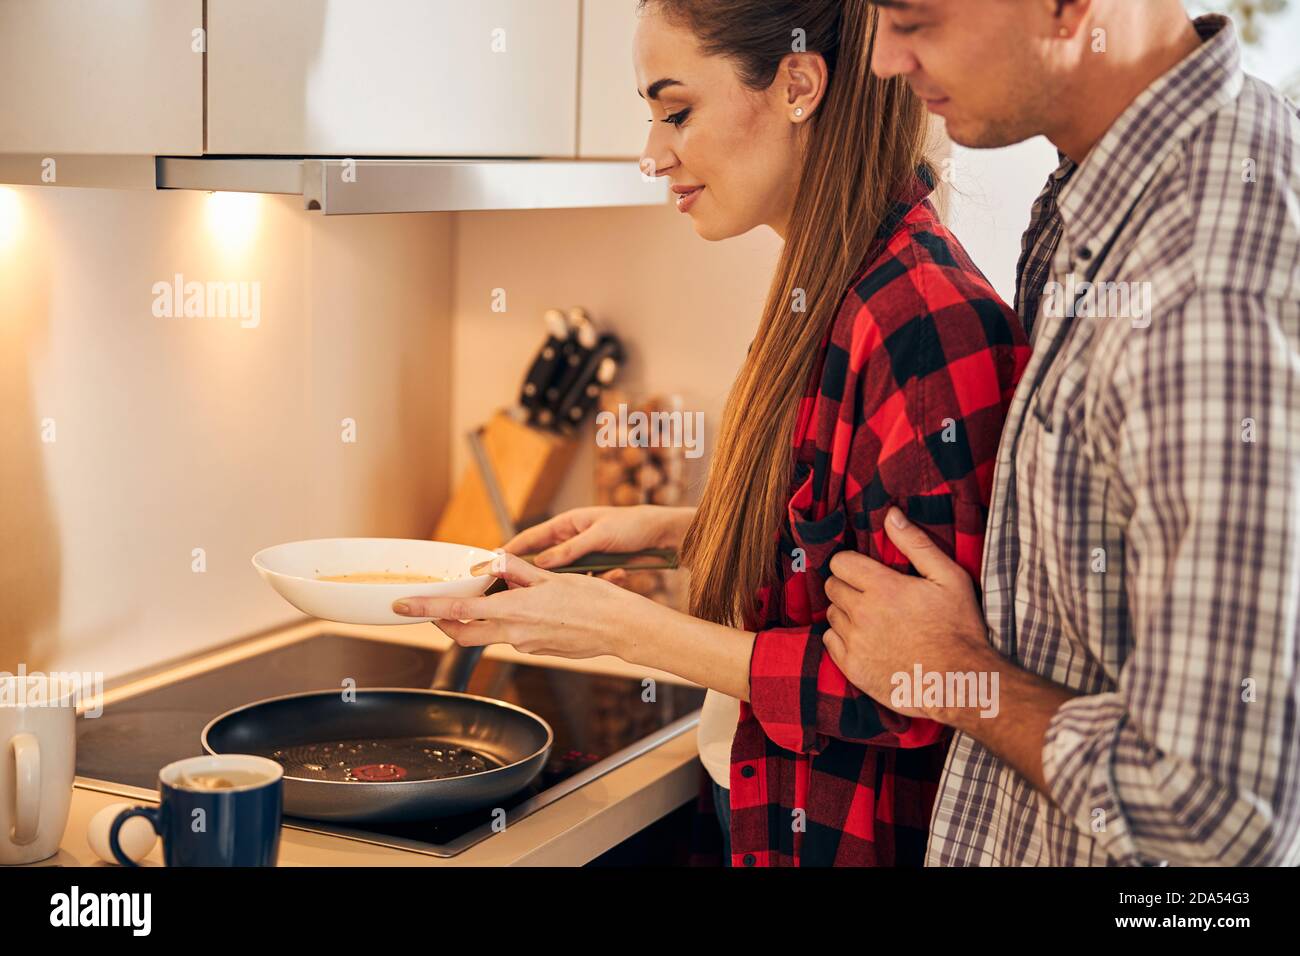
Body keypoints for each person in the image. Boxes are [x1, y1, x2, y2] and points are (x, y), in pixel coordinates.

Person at [395, 0, 1028, 866]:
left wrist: (619, 627)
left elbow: (915, 688)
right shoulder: (832, 278)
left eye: (677, 110)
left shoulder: (922, 322)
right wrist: (683, 532)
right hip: (759, 800)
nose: (654, 153)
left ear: (799, 84)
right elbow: (848, 562)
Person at [822, 1, 1300, 865]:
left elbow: (1211, 811)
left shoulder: (1202, 295)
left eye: (914, 20)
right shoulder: (1109, 186)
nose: (885, 60)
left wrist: (960, 674)